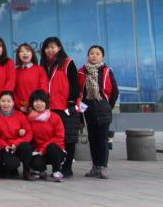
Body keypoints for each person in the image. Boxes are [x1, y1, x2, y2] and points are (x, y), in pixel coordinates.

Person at [41, 37, 81, 177]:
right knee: (52, 138)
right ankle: (56, 166)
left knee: (68, 138)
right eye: (47, 47)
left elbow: (75, 84)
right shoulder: (43, 65)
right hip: (49, 108)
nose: (50, 50)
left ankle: (67, 167)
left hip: (65, 107)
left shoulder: (67, 63)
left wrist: (71, 101)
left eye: (53, 47)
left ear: (59, 48)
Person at [80, 45, 119, 179]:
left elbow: (114, 91)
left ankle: (103, 167)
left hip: (103, 110)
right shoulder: (82, 72)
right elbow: (80, 93)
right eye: (92, 53)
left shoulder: (107, 71)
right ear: (88, 56)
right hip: (89, 110)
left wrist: (108, 105)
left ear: (102, 57)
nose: (94, 56)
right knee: (93, 140)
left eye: (97, 53)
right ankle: (95, 167)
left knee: (102, 140)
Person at [0, 91, 34, 180]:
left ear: (13, 103)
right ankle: (4, 168)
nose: (6, 104)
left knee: (26, 147)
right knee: (12, 163)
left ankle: (27, 171)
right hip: (4, 147)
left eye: (9, 101)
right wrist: (4, 145)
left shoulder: (20, 115)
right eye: (3, 101)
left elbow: (29, 133)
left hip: (17, 145)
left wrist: (16, 143)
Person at [27, 90, 66, 182]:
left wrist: (44, 148)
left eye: (42, 101)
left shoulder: (55, 117)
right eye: (36, 101)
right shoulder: (29, 118)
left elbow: (59, 137)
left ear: (46, 102)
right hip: (38, 151)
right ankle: (41, 170)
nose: (39, 104)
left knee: (52, 147)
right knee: (36, 163)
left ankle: (56, 171)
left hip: (54, 150)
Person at [14, 43, 48, 113]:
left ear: (32, 54)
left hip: (37, 108)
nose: (25, 53)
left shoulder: (39, 69)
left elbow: (44, 88)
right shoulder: (15, 71)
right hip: (21, 109)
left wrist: (37, 105)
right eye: (22, 51)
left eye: (28, 51)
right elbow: (12, 91)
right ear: (18, 55)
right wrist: (19, 106)